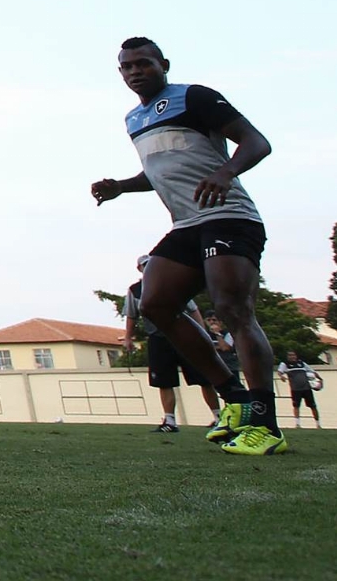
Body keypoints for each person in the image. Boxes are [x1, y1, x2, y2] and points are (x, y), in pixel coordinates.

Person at [92, 37, 281, 455]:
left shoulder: (195, 97)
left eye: (144, 63)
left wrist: (226, 172)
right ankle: (235, 399)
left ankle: (266, 424)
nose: (135, 72)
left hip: (229, 217)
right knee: (155, 304)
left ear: (164, 64)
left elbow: (256, 142)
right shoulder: (134, 119)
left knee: (233, 310)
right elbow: (158, 170)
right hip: (186, 225)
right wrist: (121, 186)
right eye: (127, 67)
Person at [124, 255, 221, 431]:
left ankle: (218, 417)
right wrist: (128, 338)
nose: (148, 268)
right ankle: (169, 421)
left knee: (204, 378)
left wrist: (202, 333)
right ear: (140, 269)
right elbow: (131, 315)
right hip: (158, 338)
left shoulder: (173, 282)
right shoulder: (135, 290)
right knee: (163, 381)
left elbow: (193, 310)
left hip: (183, 336)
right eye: (145, 265)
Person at [278, 351, 322, 429]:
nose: (292, 357)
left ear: (296, 356)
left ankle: (318, 424)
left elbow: (312, 372)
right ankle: (297, 424)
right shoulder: (285, 364)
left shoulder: (302, 363)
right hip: (295, 389)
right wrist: (281, 376)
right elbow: (280, 372)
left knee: (313, 406)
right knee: (296, 406)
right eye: (290, 355)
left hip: (307, 388)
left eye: (293, 355)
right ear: (287, 357)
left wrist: (320, 380)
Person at [205, 310, 241, 382]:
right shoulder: (205, 334)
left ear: (220, 322)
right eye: (209, 320)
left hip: (229, 367)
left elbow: (225, 348)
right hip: (213, 367)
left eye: (214, 320)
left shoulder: (228, 334)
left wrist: (217, 334)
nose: (211, 322)